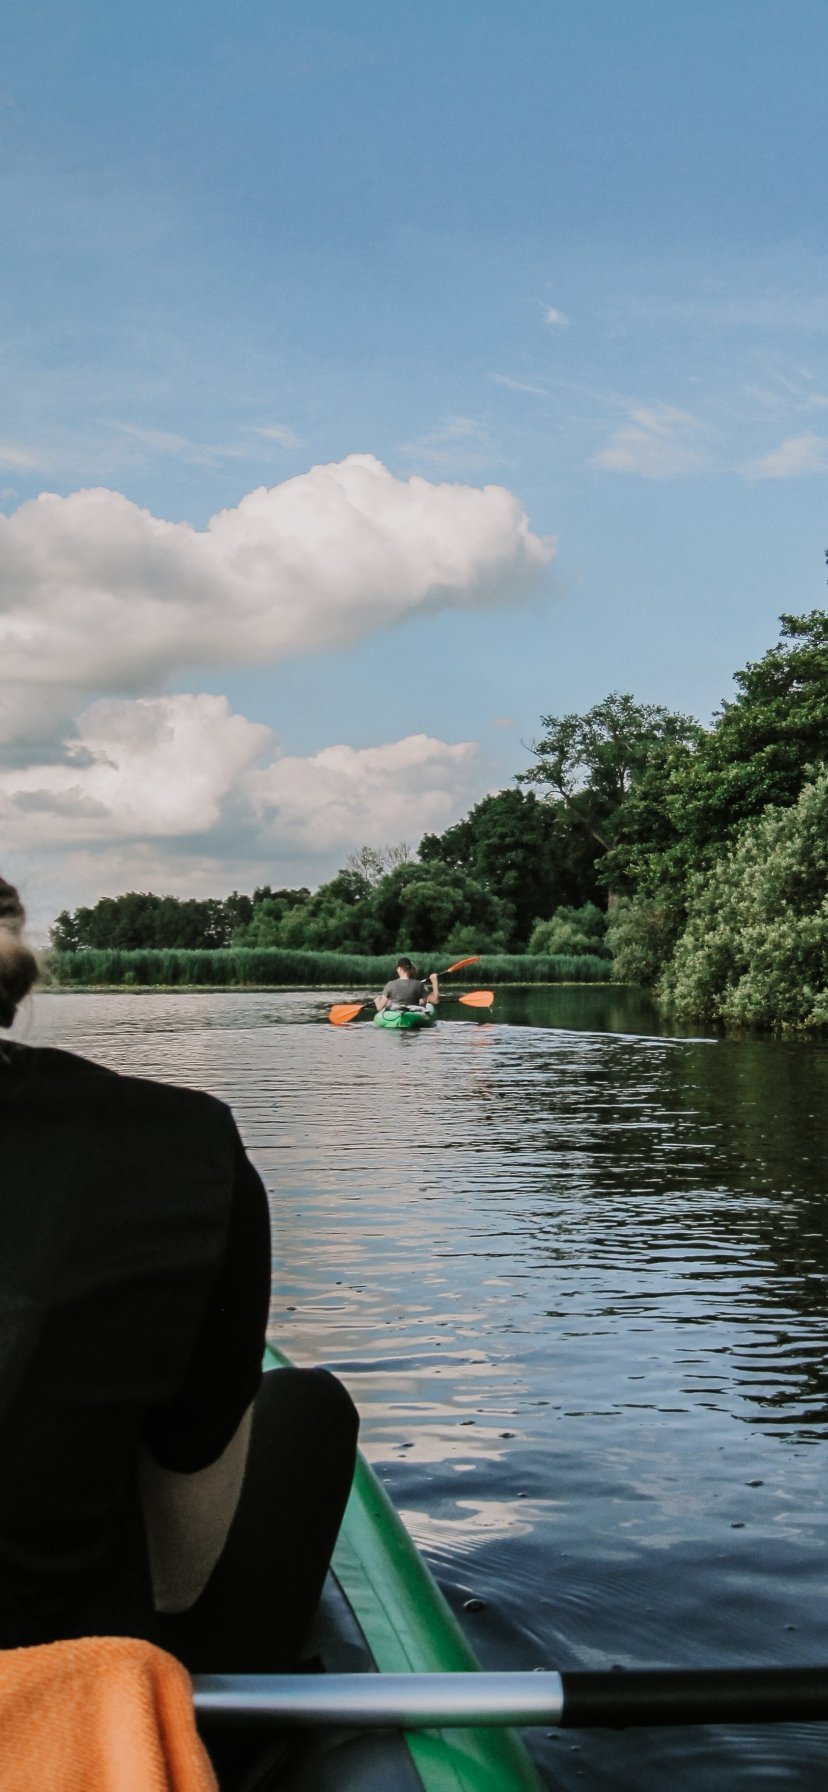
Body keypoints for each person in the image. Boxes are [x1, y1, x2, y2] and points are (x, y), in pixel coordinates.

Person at [0, 877, 358, 1788]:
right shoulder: (180, 1138)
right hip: (55, 1667)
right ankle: (231, 1741)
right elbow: (188, 1477)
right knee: (309, 1407)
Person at [374, 956, 439, 1016]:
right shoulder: (419, 984)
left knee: (389, 1004)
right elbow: (435, 1000)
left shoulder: (390, 984)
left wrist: (377, 1001)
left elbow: (379, 1007)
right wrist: (434, 982)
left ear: (399, 969)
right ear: (411, 969)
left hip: (395, 1012)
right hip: (412, 1012)